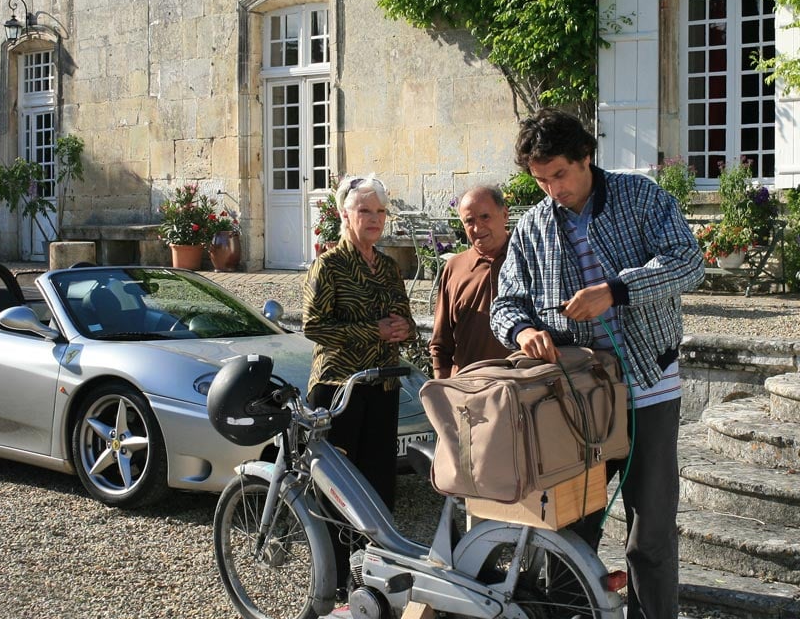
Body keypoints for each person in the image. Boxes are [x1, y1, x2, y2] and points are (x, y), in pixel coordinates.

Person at [489, 109, 704, 619]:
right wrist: (523, 331)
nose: (551, 190)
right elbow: (506, 304)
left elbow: (688, 261)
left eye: (559, 175)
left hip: (648, 384)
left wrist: (616, 291)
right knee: (567, 526)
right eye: (540, 180)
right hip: (572, 396)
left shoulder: (642, 197)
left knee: (650, 527)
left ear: (587, 157)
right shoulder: (533, 226)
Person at [302, 173, 414, 595]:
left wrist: (405, 329)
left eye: (380, 211)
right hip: (338, 390)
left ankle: (370, 576)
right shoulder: (328, 265)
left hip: (382, 388)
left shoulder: (387, 266)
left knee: (379, 486)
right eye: (365, 210)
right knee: (337, 489)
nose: (374, 219)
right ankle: (328, 578)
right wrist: (375, 331)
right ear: (344, 214)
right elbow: (314, 326)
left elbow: (402, 320)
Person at [429, 185, 513, 378]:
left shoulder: (528, 258)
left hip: (524, 388)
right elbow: (441, 342)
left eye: (485, 217)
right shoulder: (455, 267)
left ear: (505, 215)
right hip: (469, 390)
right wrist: (443, 390)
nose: (477, 228)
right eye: (469, 221)